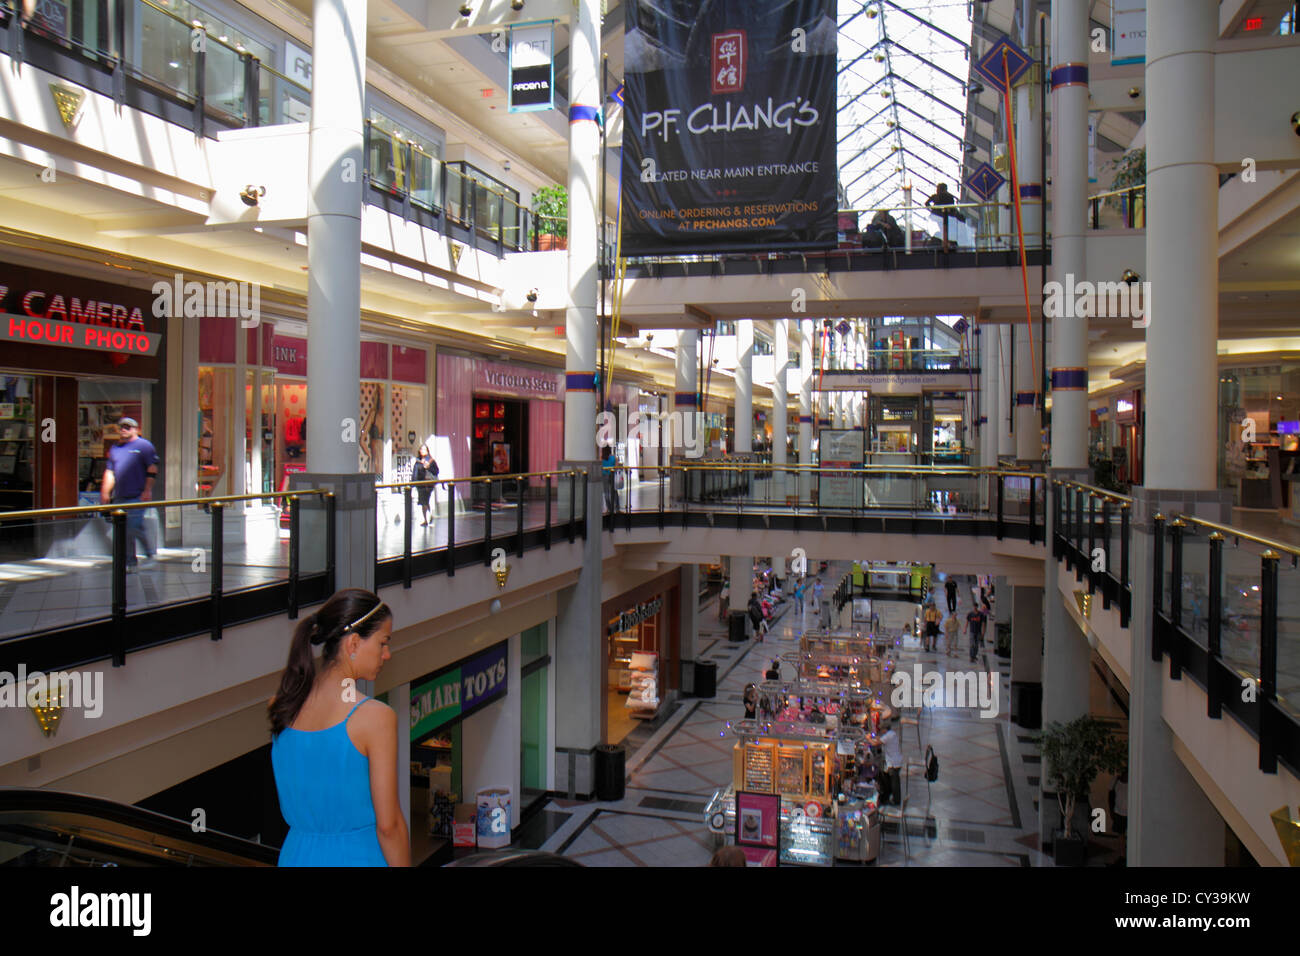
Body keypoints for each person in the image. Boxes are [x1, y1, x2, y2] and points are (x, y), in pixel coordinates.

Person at [268, 588, 409, 866]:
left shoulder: (282, 706)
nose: (387, 654)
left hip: (296, 856)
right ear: (354, 644)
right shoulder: (375, 718)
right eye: (383, 643)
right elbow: (388, 826)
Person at [101, 416, 159, 571]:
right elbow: (110, 471)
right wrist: (105, 492)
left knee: (132, 526)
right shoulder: (115, 448)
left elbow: (152, 468)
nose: (124, 430)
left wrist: (147, 489)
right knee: (125, 529)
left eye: (128, 427)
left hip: (137, 495)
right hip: (120, 496)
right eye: (121, 427)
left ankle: (148, 553)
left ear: (135, 429)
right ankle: (131, 560)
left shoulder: (144, 446)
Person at [925, 183, 965, 251]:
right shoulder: (949, 196)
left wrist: (933, 210)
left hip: (938, 217)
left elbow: (926, 203)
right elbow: (952, 207)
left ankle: (944, 243)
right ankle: (949, 243)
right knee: (948, 231)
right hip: (948, 217)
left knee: (942, 230)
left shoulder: (935, 197)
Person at [412, 444, 438, 527]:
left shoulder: (431, 460)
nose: (422, 451)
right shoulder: (417, 461)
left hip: (428, 485)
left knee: (426, 501)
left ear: (427, 450)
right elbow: (415, 474)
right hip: (420, 485)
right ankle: (426, 519)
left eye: (424, 449)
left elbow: (436, 471)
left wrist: (428, 467)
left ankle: (430, 518)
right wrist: (412, 484)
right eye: (421, 449)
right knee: (423, 502)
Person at [879, 717, 903, 806]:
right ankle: (891, 797)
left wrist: (867, 738)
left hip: (894, 763)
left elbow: (876, 743)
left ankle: (896, 801)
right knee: (892, 781)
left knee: (894, 783)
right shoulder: (891, 734)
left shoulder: (888, 736)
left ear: (885, 729)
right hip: (895, 761)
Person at [601, 445, 619, 514]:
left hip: (604, 475)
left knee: (606, 492)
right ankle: (617, 507)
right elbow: (616, 467)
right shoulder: (614, 457)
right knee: (614, 491)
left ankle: (609, 508)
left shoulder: (602, 459)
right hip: (612, 475)